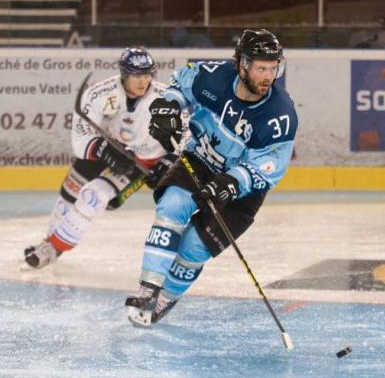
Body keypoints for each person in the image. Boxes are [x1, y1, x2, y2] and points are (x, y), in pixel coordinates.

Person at [125, 29, 298, 326]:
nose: (268, 76)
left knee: (194, 246)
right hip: (201, 160)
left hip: (242, 189)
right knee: (172, 206)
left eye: (273, 68)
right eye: (261, 68)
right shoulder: (213, 76)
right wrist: (170, 104)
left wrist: (233, 182)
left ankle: (166, 297)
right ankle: (148, 287)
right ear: (242, 64)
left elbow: (271, 165)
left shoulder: (280, 115)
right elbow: (182, 83)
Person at [24, 47, 178, 268]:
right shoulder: (99, 94)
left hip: (143, 161)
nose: (143, 81)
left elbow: (187, 134)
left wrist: (169, 162)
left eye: (147, 74)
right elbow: (80, 137)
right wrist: (102, 149)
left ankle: (56, 247)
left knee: (93, 196)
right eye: (136, 75)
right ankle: (48, 243)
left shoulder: (167, 98)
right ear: (124, 74)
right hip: (108, 147)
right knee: (69, 193)